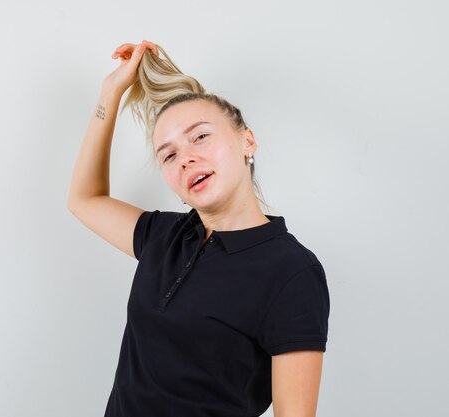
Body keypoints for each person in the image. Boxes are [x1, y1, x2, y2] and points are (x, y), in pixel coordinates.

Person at [67, 40, 330, 417]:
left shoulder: (292, 272)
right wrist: (111, 92)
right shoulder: (164, 236)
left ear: (247, 141)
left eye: (201, 136)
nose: (186, 158)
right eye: (169, 155)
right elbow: (84, 199)